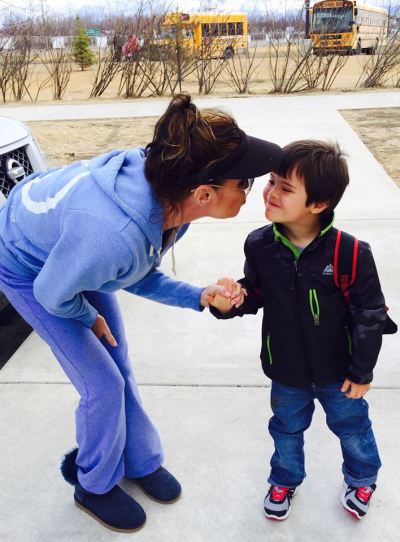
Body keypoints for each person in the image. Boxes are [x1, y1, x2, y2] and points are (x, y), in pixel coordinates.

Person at [0, 94, 282, 533]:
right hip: (29, 267)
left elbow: (135, 271)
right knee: (102, 384)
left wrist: (199, 295)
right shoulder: (112, 233)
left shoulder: (171, 198)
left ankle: (138, 459)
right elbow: (54, 293)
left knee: (120, 364)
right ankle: (92, 484)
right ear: (205, 193)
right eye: (244, 182)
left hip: (73, 251)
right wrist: (86, 316)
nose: (251, 191)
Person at [210, 140, 387, 521]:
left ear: (319, 204)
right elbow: (255, 292)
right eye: (271, 182)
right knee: (286, 430)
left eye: (285, 188)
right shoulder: (260, 244)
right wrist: (230, 302)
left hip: (339, 373)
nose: (270, 193)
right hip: (285, 369)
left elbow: (370, 313)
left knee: (352, 427)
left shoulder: (351, 253)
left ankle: (362, 477)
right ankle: (284, 479)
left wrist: (361, 371)